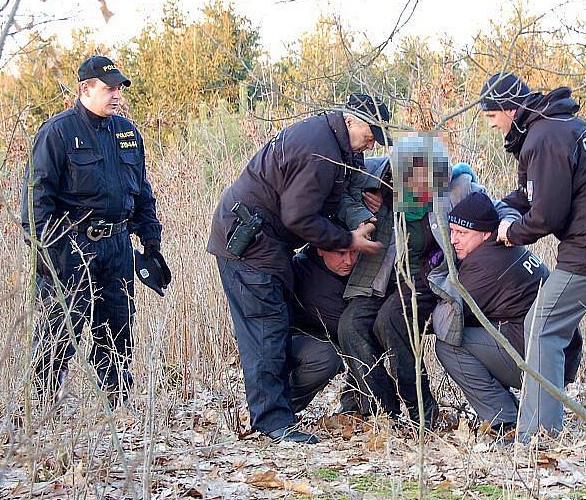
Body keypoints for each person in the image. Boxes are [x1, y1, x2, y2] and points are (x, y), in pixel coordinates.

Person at [480, 72, 586, 441]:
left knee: (542, 327)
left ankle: (540, 436)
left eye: (491, 114)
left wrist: (512, 232)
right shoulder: (559, 126)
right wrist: (504, 207)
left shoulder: (544, 137)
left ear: (509, 109)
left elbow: (546, 215)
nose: (491, 123)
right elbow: (536, 194)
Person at [207, 93, 387, 444]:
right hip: (249, 246)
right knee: (266, 330)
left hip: (265, 245)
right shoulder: (318, 150)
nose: (372, 141)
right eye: (370, 132)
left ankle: (274, 410)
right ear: (350, 119)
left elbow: (339, 190)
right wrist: (347, 240)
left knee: (271, 328)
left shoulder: (332, 142)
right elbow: (299, 217)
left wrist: (367, 198)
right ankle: (272, 423)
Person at [338, 134, 521, 428]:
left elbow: (497, 210)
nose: (417, 189)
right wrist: (360, 206)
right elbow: (340, 179)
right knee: (351, 324)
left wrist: (507, 225)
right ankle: (381, 410)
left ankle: (421, 411)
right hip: (383, 277)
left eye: (427, 181)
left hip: (429, 279)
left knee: (392, 319)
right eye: (410, 180)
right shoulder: (379, 177)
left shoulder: (459, 190)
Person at [21, 56, 163, 407]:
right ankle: (42, 406)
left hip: (117, 246)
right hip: (71, 244)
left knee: (117, 327)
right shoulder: (57, 133)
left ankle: (117, 406)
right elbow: (35, 204)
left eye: (118, 89)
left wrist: (150, 240)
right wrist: (50, 255)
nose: (116, 95)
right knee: (60, 330)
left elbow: (141, 191)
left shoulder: (128, 134)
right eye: (109, 88)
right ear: (85, 89)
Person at [433, 192, 582, 437]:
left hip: (539, 362)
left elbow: (449, 321)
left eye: (462, 233)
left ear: (484, 233)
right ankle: (515, 411)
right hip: (560, 356)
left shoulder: (483, 266)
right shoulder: (506, 247)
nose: (453, 240)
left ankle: (505, 420)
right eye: (451, 231)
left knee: (449, 346)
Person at [288, 244, 358, 412]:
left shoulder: (336, 268)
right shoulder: (312, 279)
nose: (348, 261)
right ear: (320, 248)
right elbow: (352, 332)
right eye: (340, 252)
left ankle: (355, 408)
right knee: (327, 358)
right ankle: (278, 411)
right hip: (289, 343)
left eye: (354, 252)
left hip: (314, 337)